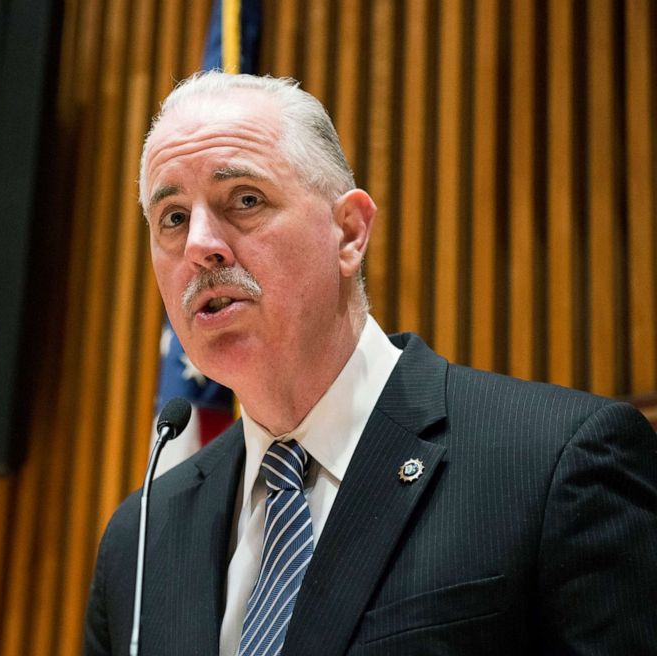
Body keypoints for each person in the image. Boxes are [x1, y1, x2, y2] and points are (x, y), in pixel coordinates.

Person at [83, 72, 657, 655]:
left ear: (349, 233)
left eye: (245, 200)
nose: (200, 244)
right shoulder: (140, 540)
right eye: (173, 218)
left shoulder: (555, 462)